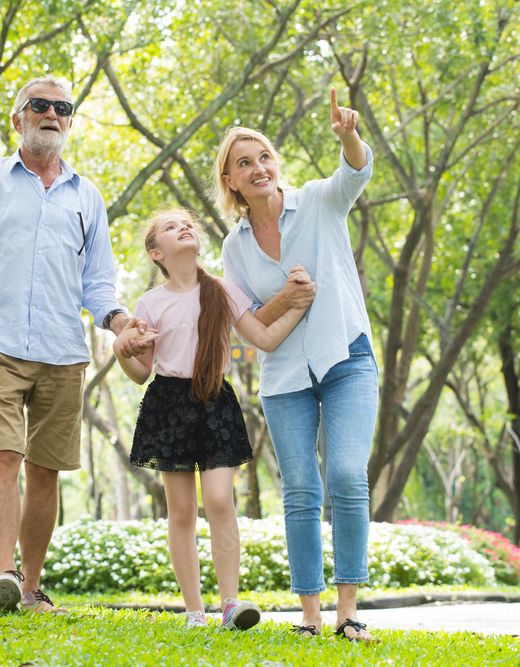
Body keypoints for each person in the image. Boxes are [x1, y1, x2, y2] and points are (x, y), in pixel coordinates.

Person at [0, 76, 147, 614]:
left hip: (63, 350)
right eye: (39, 105)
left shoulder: (87, 196)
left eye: (62, 107)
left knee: (45, 468)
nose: (51, 114)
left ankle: (32, 587)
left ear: (70, 121)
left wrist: (119, 322)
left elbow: (98, 282)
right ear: (18, 119)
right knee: (3, 455)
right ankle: (4, 576)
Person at [214, 88, 378, 642]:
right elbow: (250, 326)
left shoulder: (318, 201)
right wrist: (286, 298)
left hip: (347, 355)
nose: (258, 168)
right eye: (244, 163)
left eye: (264, 157)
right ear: (231, 181)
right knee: (301, 488)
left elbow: (355, 173)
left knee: (347, 475)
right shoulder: (234, 249)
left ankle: (347, 611)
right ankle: (310, 614)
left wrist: (349, 136)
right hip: (284, 376)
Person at [112, 208, 312, 631]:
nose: (184, 227)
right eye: (170, 228)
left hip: (214, 400)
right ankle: (194, 611)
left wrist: (297, 305)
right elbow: (141, 372)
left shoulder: (221, 290)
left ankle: (230, 604)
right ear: (156, 253)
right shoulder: (150, 303)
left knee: (220, 500)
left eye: (187, 224)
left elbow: (264, 337)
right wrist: (120, 350)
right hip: (169, 405)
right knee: (182, 510)